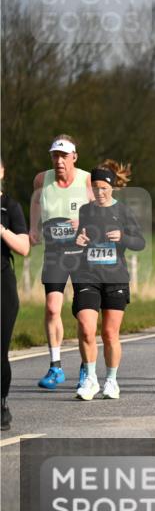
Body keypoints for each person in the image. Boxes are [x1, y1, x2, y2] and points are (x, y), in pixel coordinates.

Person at [71, 161, 145, 400]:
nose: (100, 192)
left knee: (110, 334)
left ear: (112, 187)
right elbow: (80, 238)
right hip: (87, 276)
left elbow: (140, 243)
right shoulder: (85, 210)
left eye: (104, 187)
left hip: (115, 278)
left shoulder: (123, 211)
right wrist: (78, 240)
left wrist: (123, 236)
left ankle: (111, 381)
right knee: (86, 328)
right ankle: (91, 379)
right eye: (95, 187)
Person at [31, 135, 93, 390]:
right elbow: (35, 201)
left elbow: (106, 209)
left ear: (74, 157)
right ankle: (55, 366)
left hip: (82, 254)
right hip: (55, 253)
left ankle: (85, 366)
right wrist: (33, 227)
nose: (59, 161)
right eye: (55, 155)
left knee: (82, 315)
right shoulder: (40, 179)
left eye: (64, 156)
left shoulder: (87, 180)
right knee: (52, 308)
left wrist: (86, 222)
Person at [2, 158, 30, 430]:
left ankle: (1, 402)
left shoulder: (10, 207)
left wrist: (1, 230)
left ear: (1, 172)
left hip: (2, 284)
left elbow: (24, 247)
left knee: (0, 349)